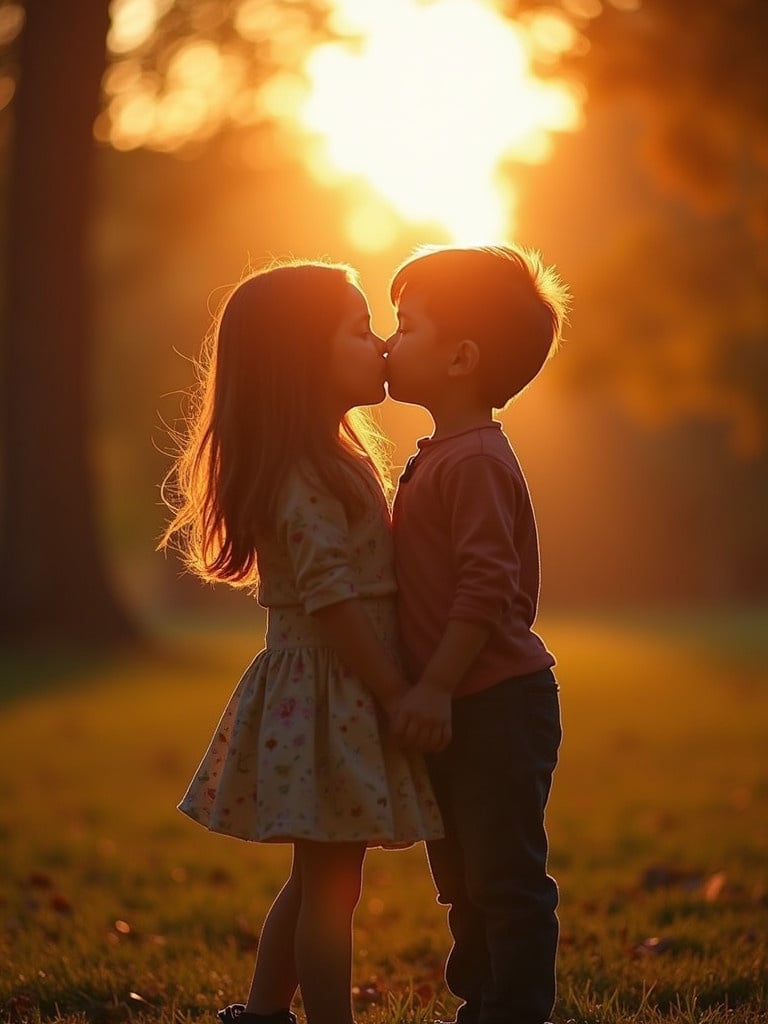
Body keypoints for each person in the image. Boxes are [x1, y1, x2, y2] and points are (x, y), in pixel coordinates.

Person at [159, 261, 444, 1024]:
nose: (380, 341)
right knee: (331, 885)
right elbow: (333, 599)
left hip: (334, 689)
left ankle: (261, 1013)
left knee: (319, 876)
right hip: (332, 693)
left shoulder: (331, 457)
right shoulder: (303, 475)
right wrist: (395, 693)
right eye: (358, 331)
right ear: (302, 360)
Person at [384, 244, 569, 1024]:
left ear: (461, 357)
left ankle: (516, 1006)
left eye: (405, 325)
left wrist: (434, 684)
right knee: (459, 873)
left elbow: (487, 587)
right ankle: (482, 1000)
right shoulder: (440, 457)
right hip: (460, 706)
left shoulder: (478, 462)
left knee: (502, 874)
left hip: (496, 703)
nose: (389, 343)